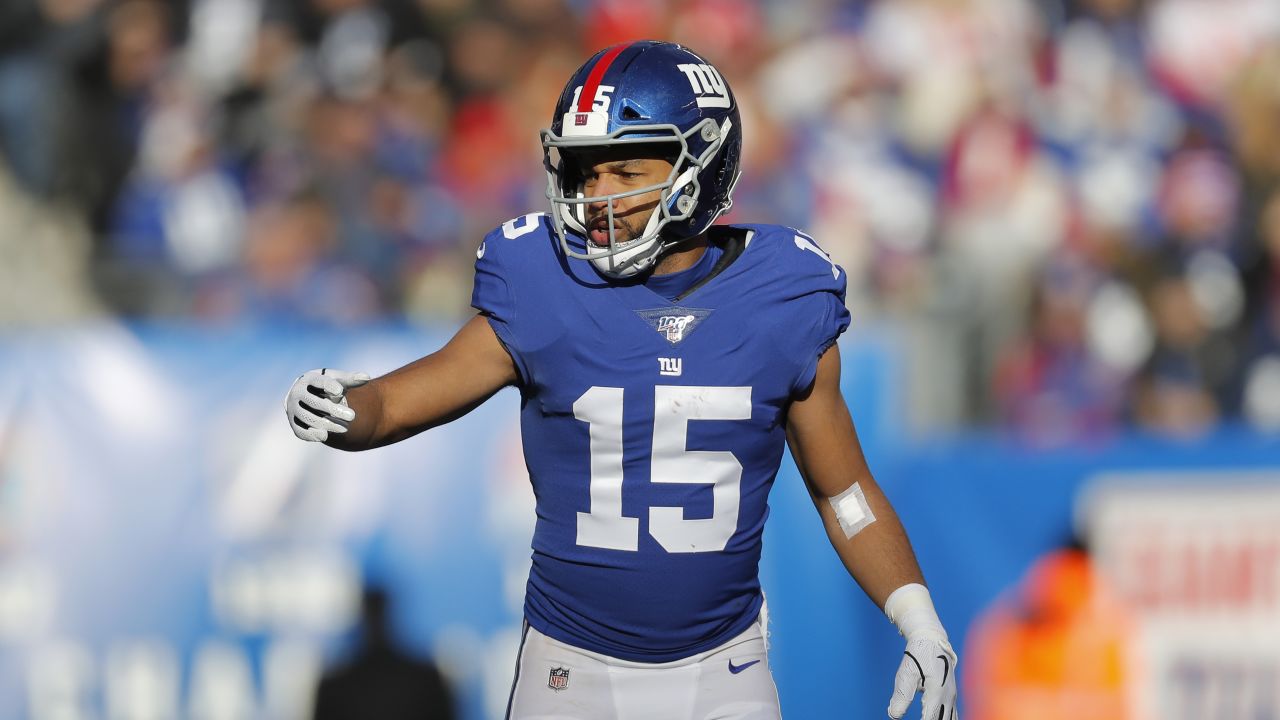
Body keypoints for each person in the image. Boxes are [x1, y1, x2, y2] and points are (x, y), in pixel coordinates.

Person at [285, 40, 958, 720]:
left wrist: (919, 620)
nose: (596, 196)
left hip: (722, 671)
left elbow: (845, 494)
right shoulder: (545, 279)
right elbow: (399, 403)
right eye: (583, 173)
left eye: (624, 171)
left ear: (699, 168)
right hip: (570, 671)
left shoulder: (782, 295)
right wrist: (343, 407)